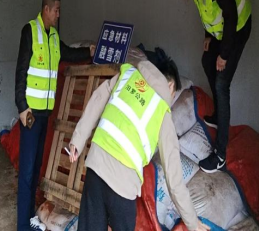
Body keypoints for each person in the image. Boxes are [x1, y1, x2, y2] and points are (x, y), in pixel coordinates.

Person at [68, 58, 210, 231]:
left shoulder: (127, 76)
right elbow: (174, 179)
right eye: (173, 96)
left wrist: (77, 139)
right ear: (170, 86)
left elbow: (97, 99)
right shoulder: (162, 112)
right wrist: (193, 223)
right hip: (122, 186)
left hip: (95, 169)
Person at [15, 0, 94, 231]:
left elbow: (67, 53)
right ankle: (23, 226)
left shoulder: (53, 37)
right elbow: (21, 70)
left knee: (35, 169)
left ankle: (30, 219)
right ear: (46, 9)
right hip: (31, 113)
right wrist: (22, 106)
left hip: (44, 115)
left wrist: (88, 52)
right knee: (27, 172)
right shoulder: (30, 31)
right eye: (56, 10)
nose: (58, 15)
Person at [172, 0, 252, 173]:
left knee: (221, 83)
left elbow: (231, 16)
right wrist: (208, 35)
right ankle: (218, 115)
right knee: (207, 60)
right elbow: (207, 11)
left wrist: (224, 55)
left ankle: (220, 154)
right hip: (221, 31)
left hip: (237, 28)